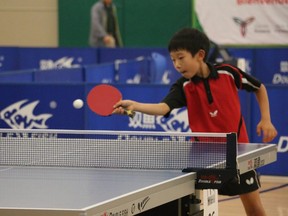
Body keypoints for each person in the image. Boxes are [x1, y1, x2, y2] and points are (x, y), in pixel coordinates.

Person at [113, 28, 278, 216]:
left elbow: (259, 87)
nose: (176, 64)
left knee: (255, 210)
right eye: (173, 59)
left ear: (200, 55)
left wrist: (266, 119)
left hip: (238, 154)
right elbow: (162, 108)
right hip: (202, 158)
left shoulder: (228, 74)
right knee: (190, 208)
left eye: (181, 58)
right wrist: (134, 105)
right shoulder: (183, 86)